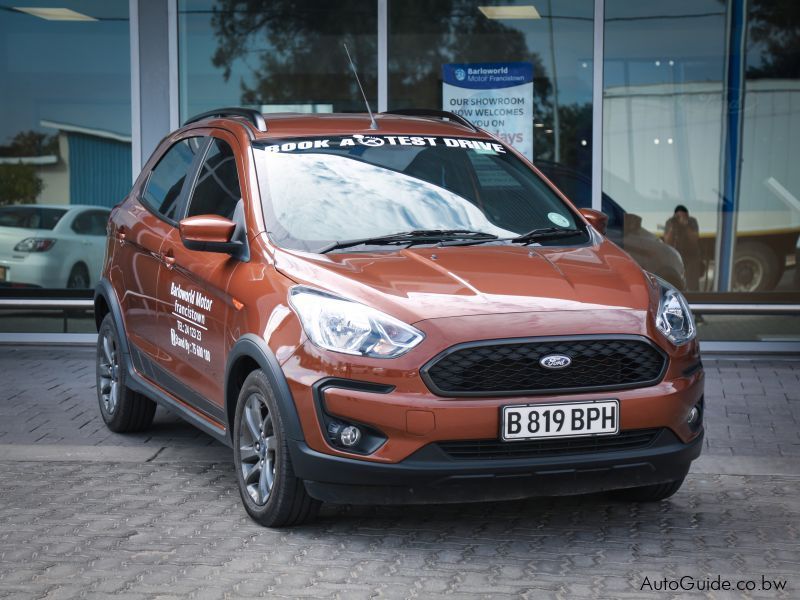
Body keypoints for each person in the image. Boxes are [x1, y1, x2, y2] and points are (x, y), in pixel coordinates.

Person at [664, 205, 702, 291]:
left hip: (691, 257)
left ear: (687, 216)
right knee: (675, 284)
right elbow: (667, 242)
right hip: (676, 258)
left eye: (682, 216)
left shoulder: (692, 221)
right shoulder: (671, 222)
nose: (679, 219)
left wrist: (686, 225)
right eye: (678, 217)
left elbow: (694, 239)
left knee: (692, 285)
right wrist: (672, 228)